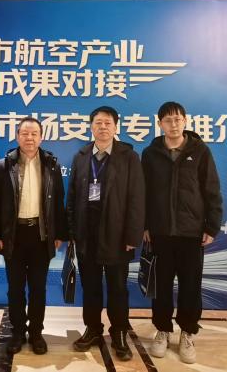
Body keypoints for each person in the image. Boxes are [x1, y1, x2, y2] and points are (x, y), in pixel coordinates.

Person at [142, 101, 222, 364]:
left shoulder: (200, 151)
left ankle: (188, 332)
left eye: (177, 119)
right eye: (168, 120)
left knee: (190, 286)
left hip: (191, 233)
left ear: (185, 121)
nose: (173, 124)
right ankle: (162, 330)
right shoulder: (150, 154)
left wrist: (211, 226)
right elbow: (143, 193)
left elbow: (212, 190)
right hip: (160, 233)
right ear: (160, 124)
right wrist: (144, 225)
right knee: (161, 287)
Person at [67, 106, 145, 361]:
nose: (102, 127)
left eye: (107, 123)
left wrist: (132, 237)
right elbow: (72, 196)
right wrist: (72, 232)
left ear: (115, 127)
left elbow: (137, 198)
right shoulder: (81, 156)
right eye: (98, 123)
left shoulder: (128, 157)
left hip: (117, 235)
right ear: (91, 127)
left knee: (117, 288)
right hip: (86, 234)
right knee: (90, 287)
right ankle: (92, 329)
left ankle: (119, 331)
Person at [0, 117, 67, 355]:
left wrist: (59, 233)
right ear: (17, 136)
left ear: (41, 137)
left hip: (41, 235)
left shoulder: (51, 164)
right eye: (24, 133)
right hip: (14, 234)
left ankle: (36, 333)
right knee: (15, 288)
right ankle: (18, 332)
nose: (29, 138)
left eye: (34, 134)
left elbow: (59, 201)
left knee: (38, 288)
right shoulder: (3, 165)